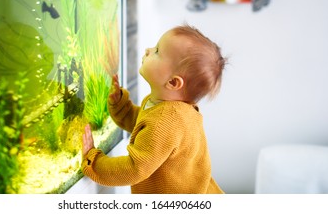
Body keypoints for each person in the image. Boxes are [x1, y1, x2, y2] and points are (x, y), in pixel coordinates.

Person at [82, 23, 226, 194]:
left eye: (157, 51)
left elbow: (133, 169)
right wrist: (121, 106)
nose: (148, 50)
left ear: (173, 82)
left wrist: (94, 161)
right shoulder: (169, 109)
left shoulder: (166, 123)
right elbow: (144, 126)